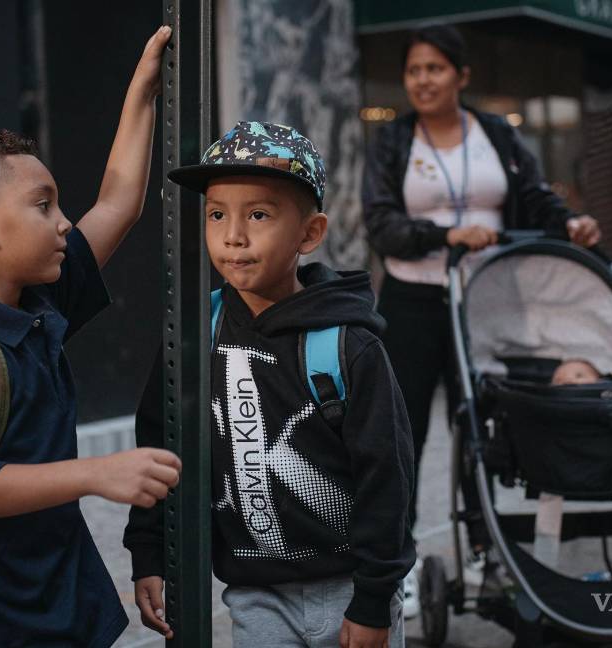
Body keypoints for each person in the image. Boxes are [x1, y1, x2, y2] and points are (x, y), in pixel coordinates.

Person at [0, 27, 181, 647]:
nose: (63, 224)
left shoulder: (39, 303)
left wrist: (142, 92)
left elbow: (118, 204)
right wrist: (95, 473)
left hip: (69, 602)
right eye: (43, 205)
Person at [124, 121, 415, 648]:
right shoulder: (193, 337)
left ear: (310, 233)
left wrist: (373, 599)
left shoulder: (348, 345)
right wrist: (149, 553)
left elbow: (387, 479)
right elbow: (159, 446)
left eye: (258, 214)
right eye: (217, 214)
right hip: (256, 596)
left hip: (349, 590)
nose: (234, 235)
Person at [361, 24, 602, 612]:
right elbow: (381, 223)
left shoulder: (494, 133)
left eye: (435, 69)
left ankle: (481, 551)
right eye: (414, 70)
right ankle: (401, 566)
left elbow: (537, 197)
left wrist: (570, 223)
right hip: (412, 301)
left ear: (461, 77)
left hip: (486, 302)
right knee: (402, 434)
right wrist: (448, 234)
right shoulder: (394, 142)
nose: (423, 80)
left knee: (480, 429)